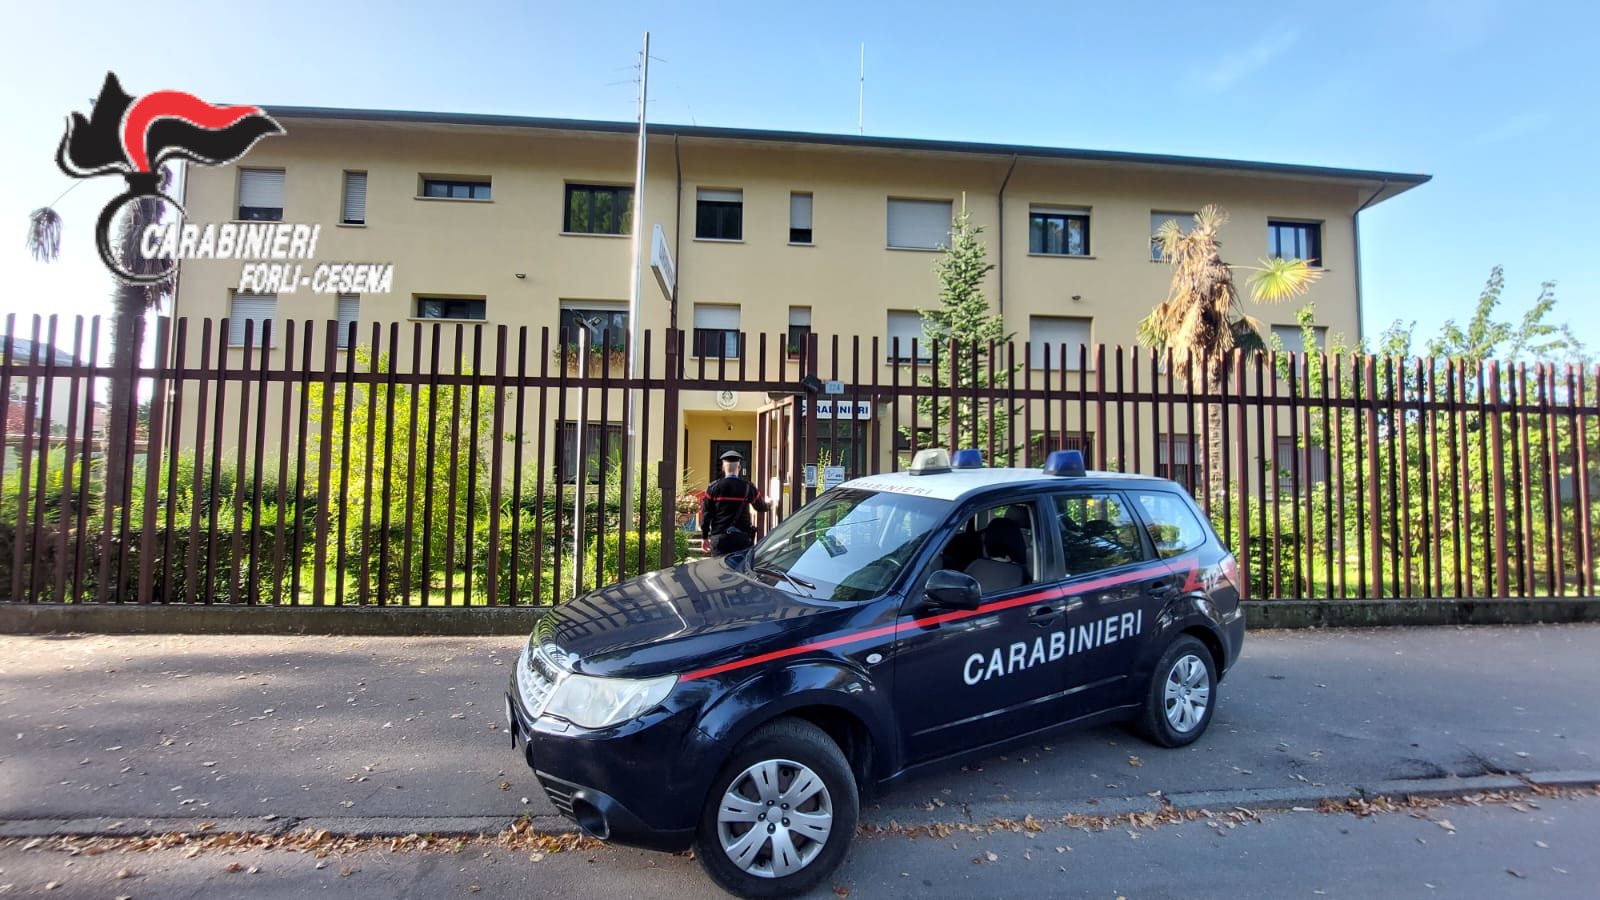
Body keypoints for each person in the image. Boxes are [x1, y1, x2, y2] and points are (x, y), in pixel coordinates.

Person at [700, 450, 770, 556]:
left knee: (719, 570)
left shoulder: (713, 488)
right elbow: (761, 507)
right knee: (739, 569)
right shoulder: (748, 487)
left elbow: (706, 515)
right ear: (739, 468)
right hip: (741, 537)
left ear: (723, 468)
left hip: (719, 537)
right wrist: (771, 504)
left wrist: (705, 537)